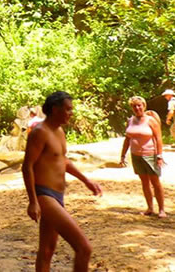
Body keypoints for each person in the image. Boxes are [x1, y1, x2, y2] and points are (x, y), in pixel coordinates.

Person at [22, 91, 102, 272]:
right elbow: (27, 166)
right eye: (67, 109)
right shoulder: (39, 132)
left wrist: (86, 181)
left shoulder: (59, 131)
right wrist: (33, 201)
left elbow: (63, 161)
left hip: (58, 195)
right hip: (44, 195)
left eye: (71, 109)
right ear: (54, 109)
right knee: (84, 248)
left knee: (47, 251)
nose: (71, 113)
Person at [120, 96, 166, 218]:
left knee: (155, 182)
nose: (137, 108)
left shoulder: (151, 120)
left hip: (150, 155)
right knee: (144, 182)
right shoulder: (131, 120)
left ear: (144, 106)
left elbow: (158, 138)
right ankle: (150, 208)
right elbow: (127, 138)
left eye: (139, 105)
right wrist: (123, 154)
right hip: (136, 156)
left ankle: (161, 209)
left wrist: (159, 155)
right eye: (134, 106)